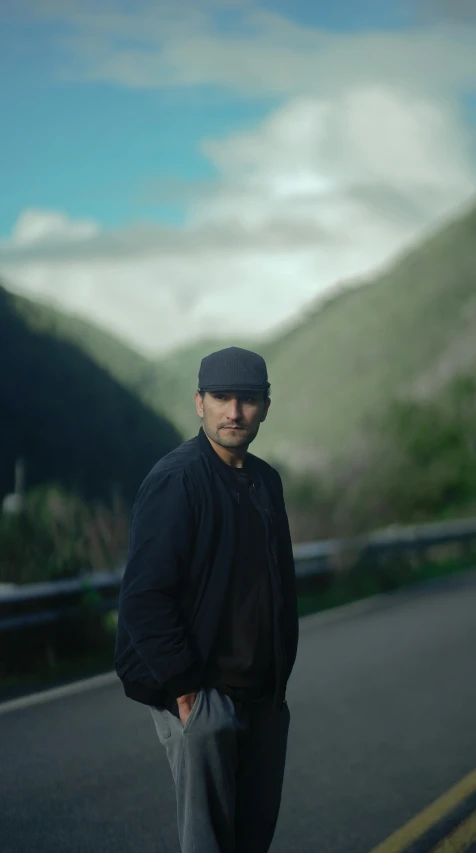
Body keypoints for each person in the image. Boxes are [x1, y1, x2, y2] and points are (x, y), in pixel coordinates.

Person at [114, 346, 299, 853]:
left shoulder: (266, 481)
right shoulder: (178, 480)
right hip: (203, 697)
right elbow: (144, 597)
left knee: (251, 840)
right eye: (221, 398)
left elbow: (279, 583)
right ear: (200, 403)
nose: (234, 412)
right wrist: (187, 694)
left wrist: (279, 683)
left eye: (247, 400)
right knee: (209, 845)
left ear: (265, 406)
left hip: (263, 695)